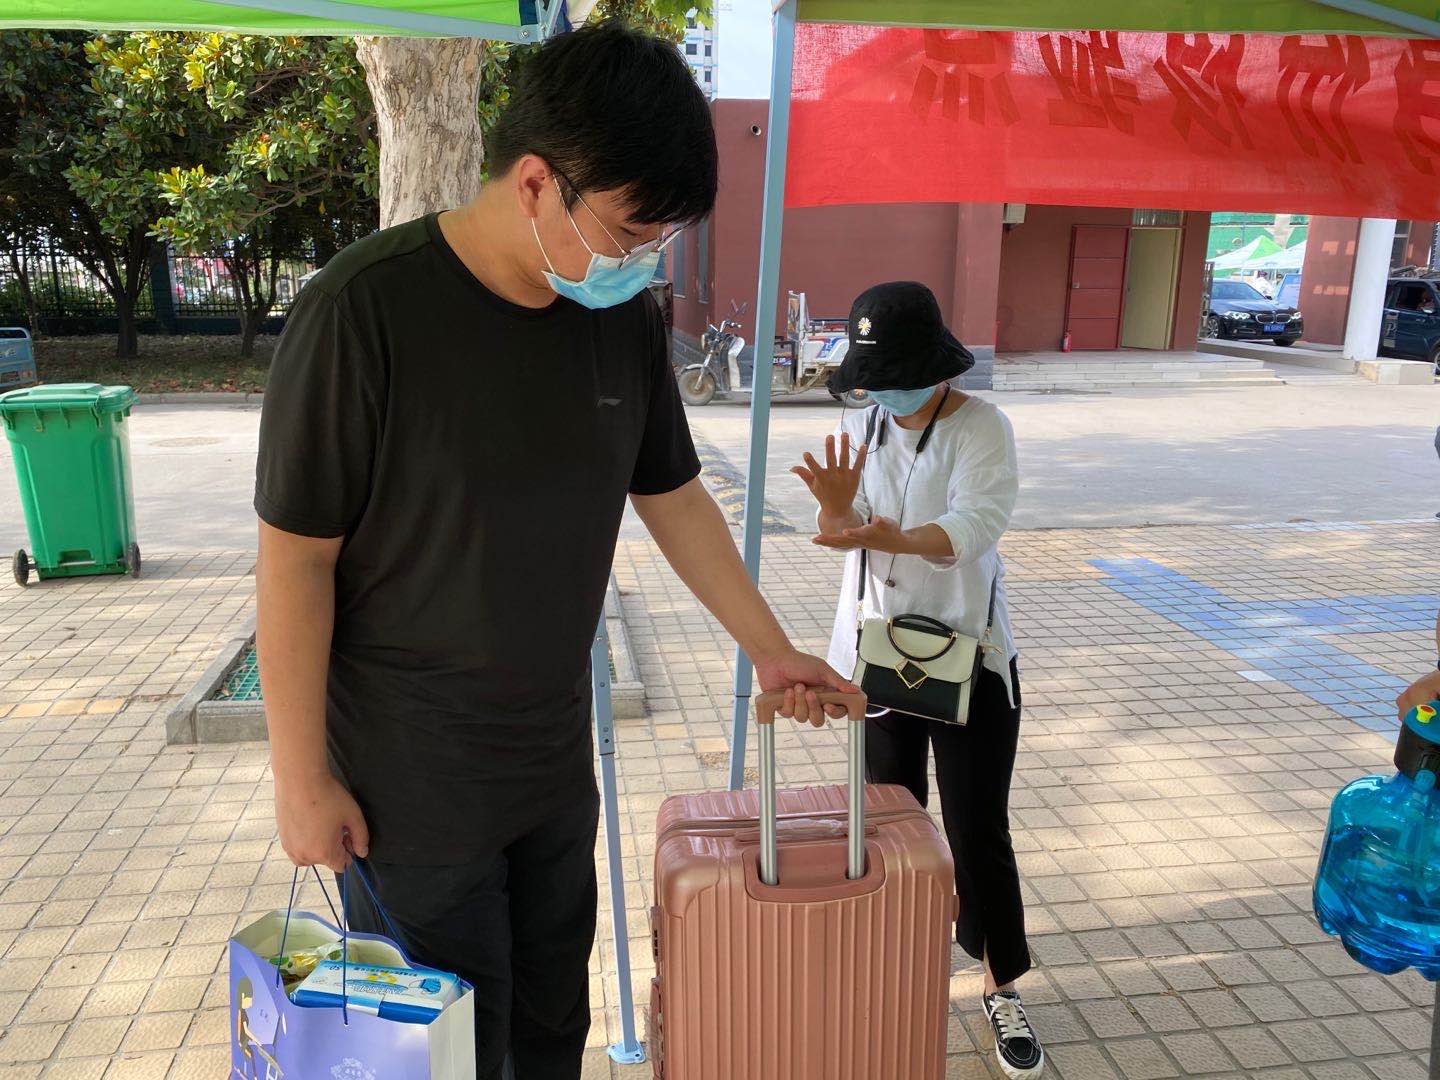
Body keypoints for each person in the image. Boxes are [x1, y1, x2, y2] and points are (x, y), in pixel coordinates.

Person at [254, 22, 853, 1079]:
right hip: (406, 787)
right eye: (630, 231)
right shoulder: (363, 311)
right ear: (534, 182)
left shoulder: (618, 323)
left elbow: (673, 495)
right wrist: (302, 781)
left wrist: (771, 648)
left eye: (660, 240)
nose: (642, 261)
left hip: (549, 763)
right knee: (447, 1055)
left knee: (547, 1032)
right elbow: (295, 560)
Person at [791, 281, 1044, 1080]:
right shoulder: (859, 424)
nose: (886, 392)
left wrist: (889, 534)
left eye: (897, 375)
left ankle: (1001, 985)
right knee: (888, 828)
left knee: (977, 831)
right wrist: (836, 514)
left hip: (969, 663)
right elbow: (843, 533)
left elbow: (977, 525)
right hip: (877, 663)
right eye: (876, 378)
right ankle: (892, 969)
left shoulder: (981, 426)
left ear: (935, 364)